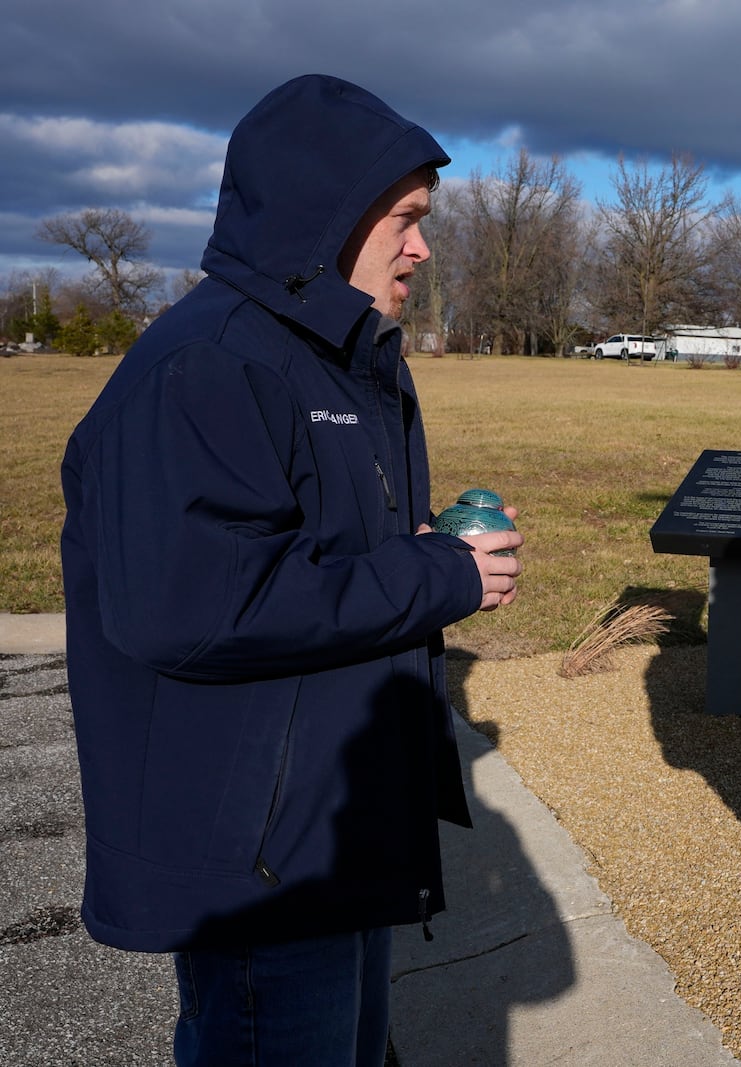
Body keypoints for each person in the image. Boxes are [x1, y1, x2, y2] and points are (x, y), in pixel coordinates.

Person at [59, 74, 522, 1066]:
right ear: (328, 215)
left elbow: (313, 555)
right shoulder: (209, 366)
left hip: (330, 829)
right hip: (262, 860)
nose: (422, 247)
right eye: (404, 220)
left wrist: (424, 545)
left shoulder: (332, 357)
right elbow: (193, 607)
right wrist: (442, 574)